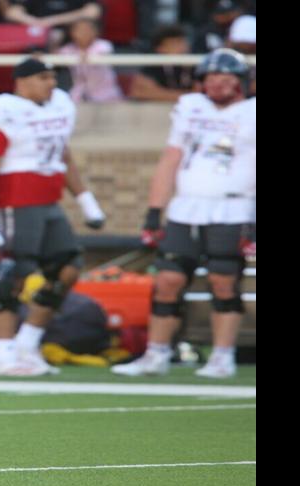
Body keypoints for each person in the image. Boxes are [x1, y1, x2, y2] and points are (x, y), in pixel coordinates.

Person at [114, 48, 253, 379]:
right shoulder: (190, 108)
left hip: (234, 208)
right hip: (186, 206)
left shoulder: (252, 112)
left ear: (241, 80)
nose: (218, 82)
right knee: (168, 279)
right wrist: (154, 211)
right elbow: (171, 158)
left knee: (223, 280)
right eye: (211, 76)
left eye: (226, 76)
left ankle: (222, 356)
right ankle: (156, 354)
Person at [0, 57, 104, 376]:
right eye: (43, 77)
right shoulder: (2, 113)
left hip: (49, 202)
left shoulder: (58, 107)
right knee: (9, 277)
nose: (51, 83)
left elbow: (63, 153)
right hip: (15, 203)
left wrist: (86, 201)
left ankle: (27, 344)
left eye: (52, 77)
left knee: (68, 269)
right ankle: (4, 354)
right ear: (23, 81)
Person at [126, 25, 191, 103]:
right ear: (160, 48)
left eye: (183, 42)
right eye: (175, 43)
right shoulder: (152, 67)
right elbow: (139, 92)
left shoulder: (194, 66)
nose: (182, 47)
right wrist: (185, 95)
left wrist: (159, 93)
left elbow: (200, 93)